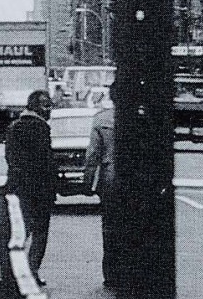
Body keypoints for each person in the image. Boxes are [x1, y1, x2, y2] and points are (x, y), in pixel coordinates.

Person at [4, 89, 57, 287]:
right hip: (40, 188)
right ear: (34, 106)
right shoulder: (40, 128)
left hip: (18, 186)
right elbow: (44, 160)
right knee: (40, 231)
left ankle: (13, 272)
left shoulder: (14, 126)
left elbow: (10, 157)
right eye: (45, 105)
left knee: (20, 230)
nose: (49, 109)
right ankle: (31, 270)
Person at [83, 87, 118, 289]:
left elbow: (92, 155)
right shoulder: (143, 118)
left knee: (110, 227)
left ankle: (111, 274)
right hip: (137, 180)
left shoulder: (101, 119)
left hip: (110, 178)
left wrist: (88, 182)